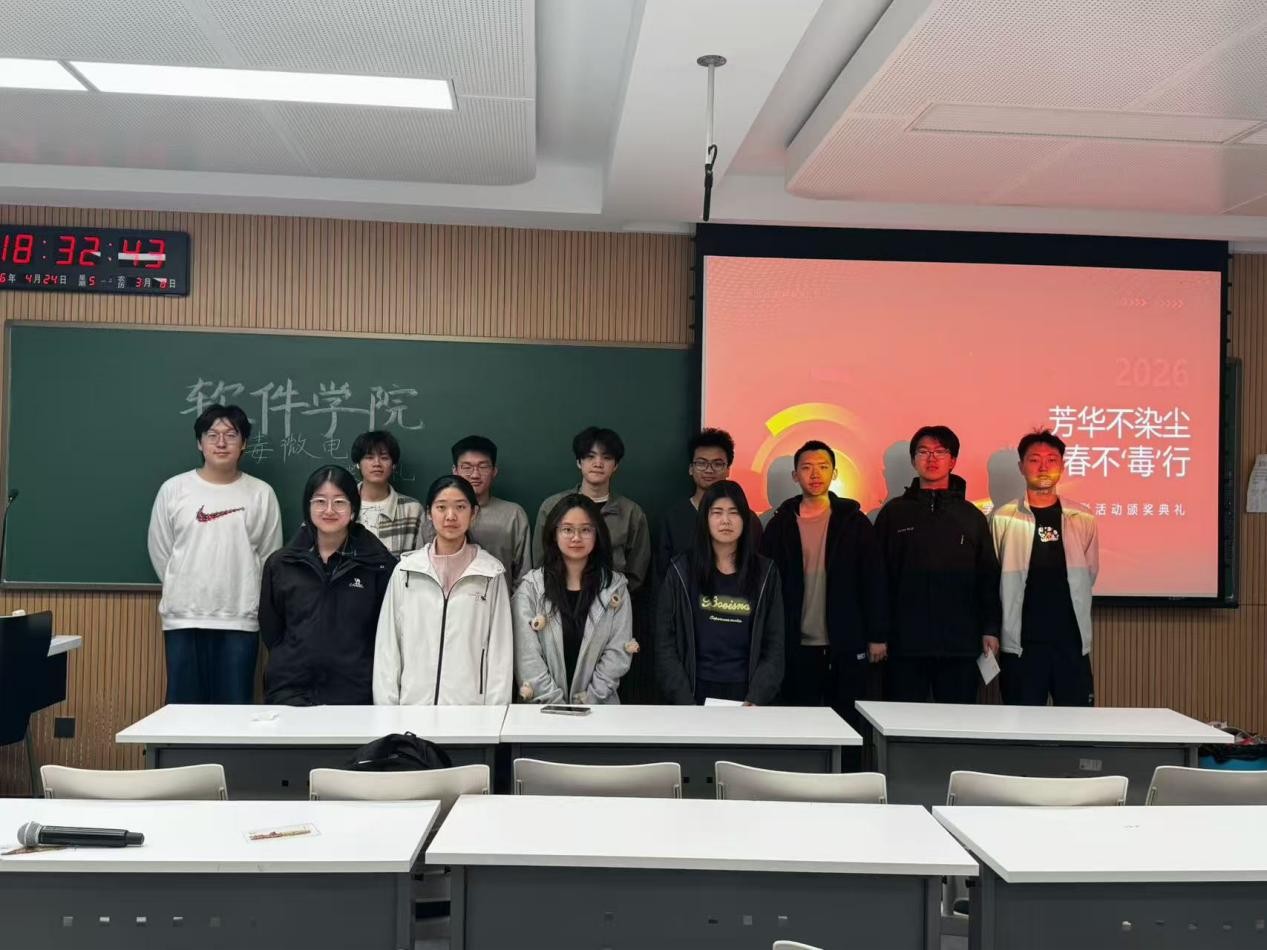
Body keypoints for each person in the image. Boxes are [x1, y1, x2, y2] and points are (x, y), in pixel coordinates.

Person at [148, 404, 283, 704]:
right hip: (184, 617)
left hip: (239, 618)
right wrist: (182, 586)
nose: (221, 443)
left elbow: (270, 556)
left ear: (244, 443)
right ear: (200, 443)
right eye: (212, 435)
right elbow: (161, 550)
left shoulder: (261, 493)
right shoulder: (174, 490)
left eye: (231, 435)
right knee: (182, 713)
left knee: (234, 712)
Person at [760, 440, 887, 728]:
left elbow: (873, 580)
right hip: (795, 645)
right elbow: (765, 586)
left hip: (845, 643)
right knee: (798, 725)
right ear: (795, 476)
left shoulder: (854, 522)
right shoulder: (779, 525)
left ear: (835, 473)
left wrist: (877, 635)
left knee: (848, 725)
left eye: (823, 467)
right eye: (806, 468)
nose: (815, 474)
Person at [875, 426, 1001, 704]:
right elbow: (877, 577)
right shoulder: (893, 513)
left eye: (940, 452)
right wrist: (878, 633)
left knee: (957, 723)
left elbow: (987, 578)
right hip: (904, 644)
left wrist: (990, 628)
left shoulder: (971, 517)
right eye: (923, 452)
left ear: (953, 460)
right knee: (901, 721)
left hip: (960, 644)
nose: (931, 458)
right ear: (913, 460)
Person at [258, 466, 395, 705]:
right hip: (290, 690)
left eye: (339, 502)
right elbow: (272, 629)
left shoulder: (379, 565)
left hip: (354, 692)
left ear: (353, 509)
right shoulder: (281, 564)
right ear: (308, 507)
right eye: (320, 501)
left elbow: (384, 633)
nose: (329, 510)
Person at [373, 475, 512, 705]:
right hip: (411, 711)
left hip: (470, 714)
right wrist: (389, 712)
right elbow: (388, 648)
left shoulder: (490, 574)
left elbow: (500, 655)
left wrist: (493, 717)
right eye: (441, 507)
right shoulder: (406, 571)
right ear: (429, 512)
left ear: (474, 513)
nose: (450, 516)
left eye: (460, 507)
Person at [990, 429, 1099, 707]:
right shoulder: (1003, 518)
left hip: (1071, 643)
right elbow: (992, 577)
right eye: (1034, 459)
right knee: (1020, 724)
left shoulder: (1082, 517)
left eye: (1052, 459)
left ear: (1062, 465)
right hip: (1021, 644)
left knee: (1077, 723)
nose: (1043, 467)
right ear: (1021, 467)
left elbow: (1089, 573)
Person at [656, 481, 784, 705]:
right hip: (693, 690)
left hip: (747, 694)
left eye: (734, 512)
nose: (726, 520)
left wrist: (756, 697)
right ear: (705, 519)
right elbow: (665, 643)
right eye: (717, 512)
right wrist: (684, 701)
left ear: (745, 519)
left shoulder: (766, 573)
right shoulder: (680, 570)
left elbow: (775, 644)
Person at [513, 495, 637, 704]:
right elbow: (526, 658)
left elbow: (617, 654)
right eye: (567, 529)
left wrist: (588, 702)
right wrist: (556, 706)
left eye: (586, 530)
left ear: (597, 534)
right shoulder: (531, 588)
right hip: (541, 712)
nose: (576, 538)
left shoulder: (615, 588)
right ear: (554, 534)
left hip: (599, 711)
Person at [533, 426, 651, 592]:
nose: (598, 464)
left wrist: (615, 598)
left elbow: (636, 571)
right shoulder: (552, 506)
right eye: (590, 456)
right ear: (578, 462)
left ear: (616, 465)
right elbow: (540, 562)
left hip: (613, 600)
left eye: (607, 458)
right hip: (558, 597)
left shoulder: (632, 513)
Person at [419, 435, 532, 588]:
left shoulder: (513, 515)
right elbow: (420, 566)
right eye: (466, 467)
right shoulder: (436, 514)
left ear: (494, 471)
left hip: (498, 598)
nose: (475, 475)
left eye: (483, 467)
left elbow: (524, 577)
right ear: (455, 470)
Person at [655, 428, 761, 583]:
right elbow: (660, 576)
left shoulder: (748, 520)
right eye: (701, 463)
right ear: (691, 469)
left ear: (728, 470)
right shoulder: (673, 519)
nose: (709, 470)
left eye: (717, 464)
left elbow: (758, 573)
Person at [351, 430, 425, 556]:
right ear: (358, 464)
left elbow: (420, 559)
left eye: (384, 458)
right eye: (369, 457)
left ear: (393, 465)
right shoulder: (343, 505)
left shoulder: (412, 510)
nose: (377, 464)